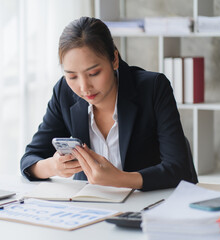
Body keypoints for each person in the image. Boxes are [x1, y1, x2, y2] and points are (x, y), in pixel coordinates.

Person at [20, 16, 198, 191]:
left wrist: (121, 179)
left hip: (147, 203)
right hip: (91, 206)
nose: (84, 87)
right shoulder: (63, 92)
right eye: (72, 76)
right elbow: (29, 159)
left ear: (114, 59)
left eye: (94, 73)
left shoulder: (153, 88)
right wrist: (53, 166)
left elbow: (178, 169)